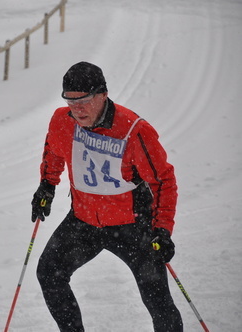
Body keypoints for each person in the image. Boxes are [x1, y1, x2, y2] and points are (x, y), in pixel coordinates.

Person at [31, 61, 183, 331]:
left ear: (103, 94)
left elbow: (164, 182)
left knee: (157, 299)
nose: (76, 109)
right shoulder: (61, 120)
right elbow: (53, 150)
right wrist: (47, 184)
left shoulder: (133, 130)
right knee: (49, 273)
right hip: (84, 220)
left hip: (132, 226)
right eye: (70, 101)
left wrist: (162, 229)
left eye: (85, 100)